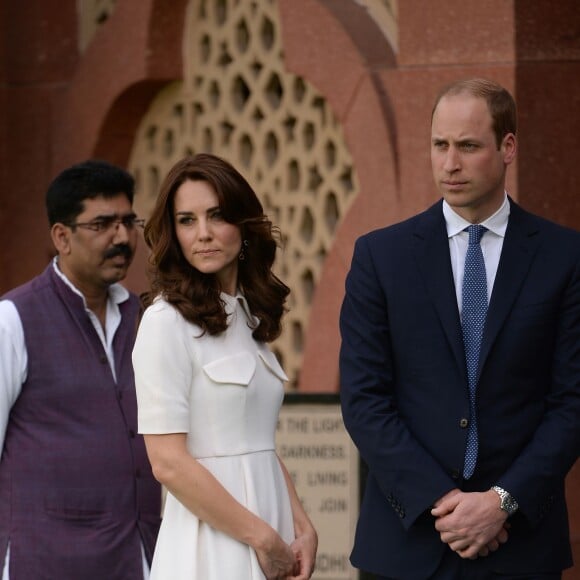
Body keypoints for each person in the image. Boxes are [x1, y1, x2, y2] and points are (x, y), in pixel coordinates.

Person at [339, 78, 580, 579]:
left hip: (521, 547)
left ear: (507, 147)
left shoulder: (565, 257)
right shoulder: (380, 257)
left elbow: (572, 402)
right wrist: (446, 503)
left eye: (468, 146)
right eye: (440, 145)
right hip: (408, 545)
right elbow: (364, 400)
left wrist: (500, 503)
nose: (450, 164)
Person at [131, 153, 317, 580]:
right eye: (187, 220)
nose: (204, 234)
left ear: (243, 225)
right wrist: (262, 539)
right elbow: (168, 463)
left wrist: (301, 526)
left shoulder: (248, 318)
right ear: (173, 233)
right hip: (211, 542)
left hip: (271, 531)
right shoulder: (165, 323)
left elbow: (258, 443)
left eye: (217, 216)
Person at [0, 160, 161, 580]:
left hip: (139, 558)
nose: (123, 237)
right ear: (61, 237)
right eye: (103, 224)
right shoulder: (13, 320)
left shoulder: (146, 319)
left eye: (128, 221)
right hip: (45, 560)